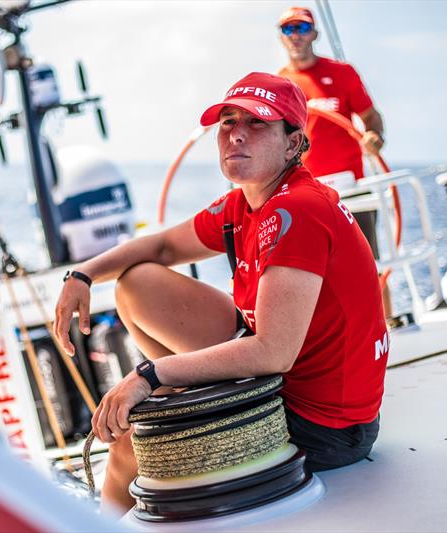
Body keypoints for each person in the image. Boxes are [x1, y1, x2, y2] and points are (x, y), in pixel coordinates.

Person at [53, 72, 387, 515]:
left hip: (327, 426)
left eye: (257, 124)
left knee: (132, 447)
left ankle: (109, 518)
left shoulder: (298, 210)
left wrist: (152, 375)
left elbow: (273, 352)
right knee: (137, 281)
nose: (236, 136)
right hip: (285, 384)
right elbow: (164, 246)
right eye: (228, 122)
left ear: (293, 144)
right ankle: (183, 400)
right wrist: (82, 276)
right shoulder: (244, 204)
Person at [276, 6, 393, 317]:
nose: (296, 35)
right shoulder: (280, 85)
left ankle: (386, 325)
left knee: (370, 260)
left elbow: (371, 117)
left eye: (302, 28)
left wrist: (374, 136)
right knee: (315, 271)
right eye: (288, 29)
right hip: (307, 191)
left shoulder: (343, 73)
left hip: (350, 186)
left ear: (314, 33)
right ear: (281, 36)